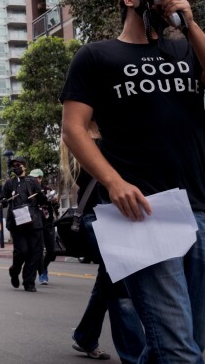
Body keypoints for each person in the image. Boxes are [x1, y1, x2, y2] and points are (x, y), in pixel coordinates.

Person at [61, 0, 205, 362]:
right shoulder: (96, 56)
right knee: (178, 350)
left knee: (188, 342)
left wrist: (190, 23)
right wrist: (114, 182)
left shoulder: (185, 48)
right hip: (142, 212)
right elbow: (73, 129)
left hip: (199, 207)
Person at [60, 136, 145, 363]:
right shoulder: (88, 141)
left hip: (112, 217)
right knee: (121, 287)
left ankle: (85, 336)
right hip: (100, 218)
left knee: (108, 282)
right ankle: (136, 356)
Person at [2, 157, 46, 292]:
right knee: (22, 251)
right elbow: (3, 198)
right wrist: (3, 200)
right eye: (14, 165)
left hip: (33, 221)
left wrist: (41, 195)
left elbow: (42, 200)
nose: (16, 167)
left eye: (18, 165)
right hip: (17, 222)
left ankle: (29, 282)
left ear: (24, 167)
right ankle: (14, 271)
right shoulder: (9, 183)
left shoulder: (33, 181)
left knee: (35, 252)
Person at [29, 168, 58, 285]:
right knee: (38, 250)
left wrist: (55, 202)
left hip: (48, 223)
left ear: (40, 178)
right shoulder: (29, 191)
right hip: (36, 225)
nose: (34, 180)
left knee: (52, 251)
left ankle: (44, 267)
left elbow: (55, 207)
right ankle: (41, 273)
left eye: (36, 178)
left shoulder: (48, 190)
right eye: (32, 178)